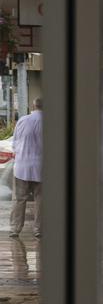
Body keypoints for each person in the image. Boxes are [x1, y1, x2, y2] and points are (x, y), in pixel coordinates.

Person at [10, 98, 42, 238]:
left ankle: (15, 229)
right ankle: (38, 230)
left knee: (19, 199)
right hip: (41, 167)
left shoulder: (22, 120)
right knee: (41, 199)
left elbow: (14, 143)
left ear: (32, 106)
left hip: (22, 166)